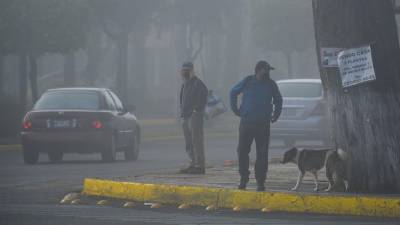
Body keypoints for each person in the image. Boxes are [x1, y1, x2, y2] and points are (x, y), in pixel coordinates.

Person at [230, 60, 283, 191]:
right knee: (242, 151)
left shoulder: (271, 84)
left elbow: (278, 100)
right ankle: (243, 178)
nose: (268, 73)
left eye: (269, 70)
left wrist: (276, 115)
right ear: (258, 70)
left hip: (263, 125)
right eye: (266, 70)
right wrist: (235, 109)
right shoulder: (248, 81)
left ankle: (260, 181)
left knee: (262, 154)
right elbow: (233, 92)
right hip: (247, 123)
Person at [179, 61, 208, 174]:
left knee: (197, 141)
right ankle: (193, 163)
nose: (185, 72)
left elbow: (204, 96)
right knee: (189, 142)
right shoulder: (184, 84)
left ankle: (200, 165)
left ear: (192, 71)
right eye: (183, 70)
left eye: (187, 70)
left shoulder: (198, 83)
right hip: (185, 117)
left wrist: (197, 110)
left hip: (194, 116)